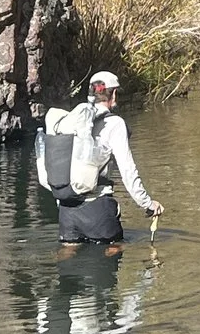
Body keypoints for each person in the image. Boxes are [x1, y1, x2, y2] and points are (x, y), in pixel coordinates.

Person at [35, 70, 164, 248]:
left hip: (66, 209)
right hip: (98, 210)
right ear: (114, 94)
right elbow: (128, 170)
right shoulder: (115, 124)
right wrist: (147, 203)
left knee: (67, 259)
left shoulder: (74, 120)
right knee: (114, 251)